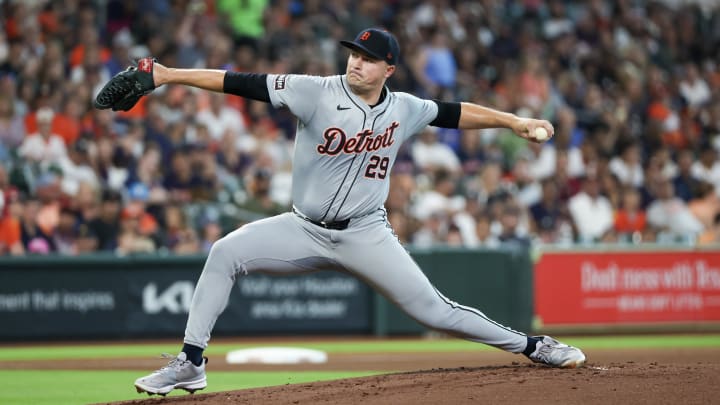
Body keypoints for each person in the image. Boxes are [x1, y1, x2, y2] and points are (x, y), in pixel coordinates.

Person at [127, 28, 585, 397]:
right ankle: (190, 362)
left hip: (366, 234)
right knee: (225, 252)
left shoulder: (404, 108)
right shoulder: (315, 92)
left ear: (389, 68)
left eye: (366, 58)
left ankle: (533, 346)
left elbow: (455, 112)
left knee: (435, 312)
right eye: (352, 54)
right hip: (303, 229)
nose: (355, 62)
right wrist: (169, 75)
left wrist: (513, 121)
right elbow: (237, 81)